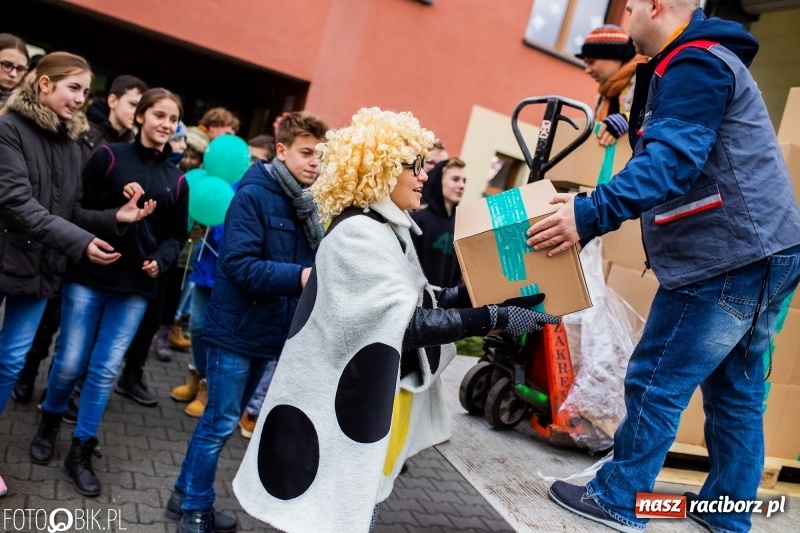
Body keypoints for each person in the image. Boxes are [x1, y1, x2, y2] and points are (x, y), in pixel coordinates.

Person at [526, 2, 800, 532]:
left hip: (727, 253)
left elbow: (671, 162)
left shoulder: (695, 62)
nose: (625, 14)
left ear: (654, 6)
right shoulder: (697, 61)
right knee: (736, 390)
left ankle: (620, 499)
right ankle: (730, 514)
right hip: (767, 250)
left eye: (629, 6)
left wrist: (588, 213)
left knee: (656, 377)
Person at [231, 107, 560, 533]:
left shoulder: (386, 228)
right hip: (345, 399)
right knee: (344, 509)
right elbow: (405, 325)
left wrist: (485, 295)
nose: (425, 175)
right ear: (381, 168)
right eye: (414, 165)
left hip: (374, 394)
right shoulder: (358, 233)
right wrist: (492, 316)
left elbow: (417, 299)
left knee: (363, 498)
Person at [164, 111, 329, 533]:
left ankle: (183, 495)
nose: (315, 162)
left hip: (269, 331)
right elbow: (238, 265)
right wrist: (300, 277)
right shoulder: (253, 194)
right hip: (235, 331)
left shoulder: (306, 201)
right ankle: (195, 513)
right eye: (307, 152)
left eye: (321, 155)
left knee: (223, 417)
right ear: (281, 150)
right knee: (219, 422)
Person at [0, 51, 153, 496]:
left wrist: (115, 219)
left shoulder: (70, 143)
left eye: (86, 92)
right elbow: (15, 202)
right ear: (44, 84)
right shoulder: (8, 129)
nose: (81, 99)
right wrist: (79, 242)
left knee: (10, 362)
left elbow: (71, 211)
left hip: (40, 267)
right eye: (73, 88)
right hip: (6, 255)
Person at [30, 88, 188, 497]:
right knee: (68, 363)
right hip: (89, 275)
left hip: (136, 286)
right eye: (159, 115)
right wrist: (115, 209)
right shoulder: (109, 156)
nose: (166, 124)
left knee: (103, 371)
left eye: (173, 118)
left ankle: (80, 449)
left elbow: (175, 235)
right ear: (140, 117)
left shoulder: (179, 178)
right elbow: (75, 211)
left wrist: (161, 259)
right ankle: (49, 420)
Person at [12, 74, 149, 407]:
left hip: (95, 243)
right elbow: (74, 195)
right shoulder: (84, 136)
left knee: (67, 331)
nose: (136, 111)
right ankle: (26, 377)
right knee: (44, 323)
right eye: (133, 103)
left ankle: (55, 390)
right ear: (114, 101)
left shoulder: (133, 146)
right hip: (61, 238)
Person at [576, 25, 647, 147]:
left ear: (615, 57)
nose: (587, 70)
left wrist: (627, 119)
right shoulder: (605, 94)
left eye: (591, 62)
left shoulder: (645, 78)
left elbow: (657, 114)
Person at [411, 157, 466, 288]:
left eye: (464, 181)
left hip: (449, 305)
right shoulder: (418, 221)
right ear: (438, 181)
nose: (462, 185)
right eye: (455, 179)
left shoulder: (461, 225)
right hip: (421, 303)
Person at [79, 74, 148, 163]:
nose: (138, 113)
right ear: (113, 101)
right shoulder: (81, 135)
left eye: (142, 109)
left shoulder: (138, 148)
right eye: (133, 105)